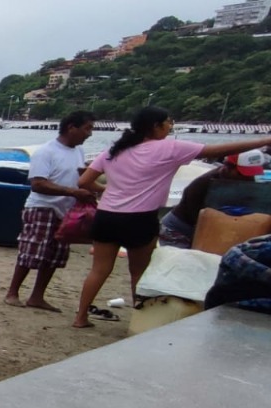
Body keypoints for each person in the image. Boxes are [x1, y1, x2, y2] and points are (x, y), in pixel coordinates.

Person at [71, 106, 271, 328]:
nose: (171, 126)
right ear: (155, 126)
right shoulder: (169, 148)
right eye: (168, 122)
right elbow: (216, 150)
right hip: (140, 218)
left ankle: (80, 317)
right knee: (139, 273)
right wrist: (262, 141)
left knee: (98, 270)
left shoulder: (114, 150)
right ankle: (138, 320)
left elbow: (84, 182)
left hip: (107, 216)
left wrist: (107, 191)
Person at [5, 110, 99, 312]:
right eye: (87, 128)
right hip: (42, 206)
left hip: (65, 208)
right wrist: (73, 192)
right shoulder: (46, 151)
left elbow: (81, 177)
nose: (89, 133)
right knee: (32, 250)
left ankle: (37, 296)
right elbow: (38, 184)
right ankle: (13, 292)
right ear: (71, 127)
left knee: (56, 254)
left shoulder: (78, 152)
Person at [158, 150, 265, 249]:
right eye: (242, 173)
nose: (248, 177)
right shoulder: (204, 184)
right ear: (228, 167)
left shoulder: (246, 182)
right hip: (179, 230)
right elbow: (200, 220)